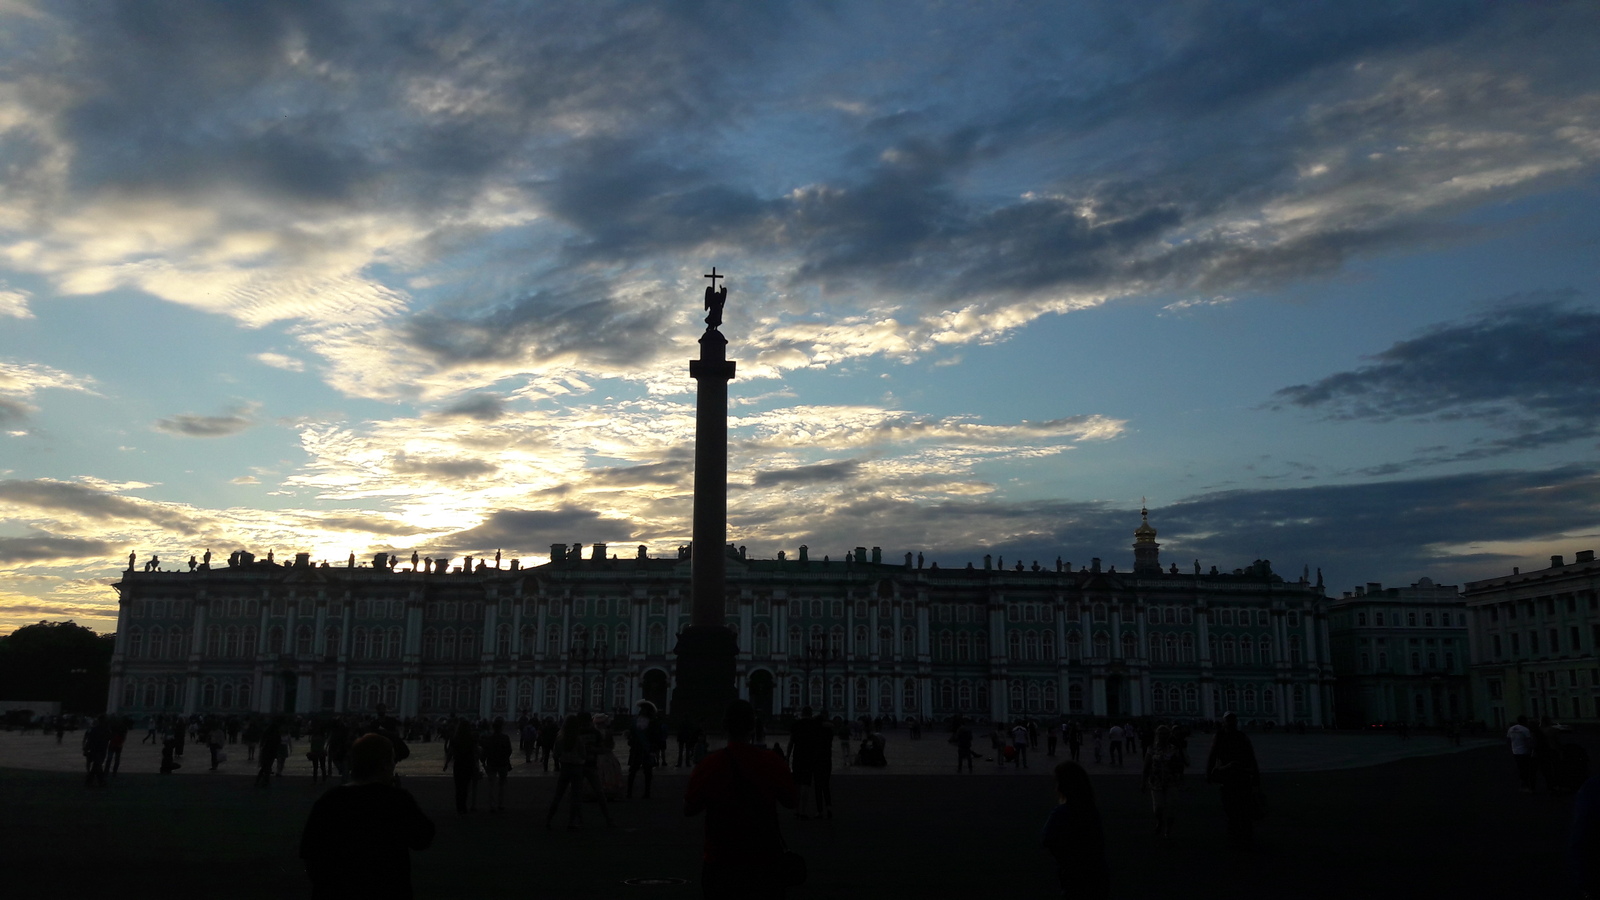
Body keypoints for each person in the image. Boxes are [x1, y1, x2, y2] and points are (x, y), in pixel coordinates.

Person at [299, 733, 435, 900]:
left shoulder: (329, 800)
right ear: (384, 765)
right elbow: (423, 838)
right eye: (392, 760)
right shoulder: (396, 800)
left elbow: (310, 853)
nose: (394, 765)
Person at [685, 699, 798, 899]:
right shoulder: (771, 761)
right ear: (753, 727)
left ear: (724, 727)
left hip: (720, 859)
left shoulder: (709, 764)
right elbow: (791, 801)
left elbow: (690, 808)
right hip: (765, 858)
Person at [1041, 760, 1109, 900]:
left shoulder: (1062, 812)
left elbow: (1046, 838)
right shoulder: (1091, 810)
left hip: (1074, 876)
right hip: (1097, 874)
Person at [546, 713, 615, 830]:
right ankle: (606, 819)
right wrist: (594, 751)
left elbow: (556, 753)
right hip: (587, 766)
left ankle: (551, 819)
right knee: (596, 793)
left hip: (569, 767)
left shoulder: (569, 735)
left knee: (563, 794)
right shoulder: (593, 733)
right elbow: (600, 749)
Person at [1206, 712, 1261, 849]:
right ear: (1224, 722)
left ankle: (1243, 835)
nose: (1231, 723)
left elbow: (1251, 756)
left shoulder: (1240, 737)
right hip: (1229, 775)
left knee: (1241, 806)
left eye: (1232, 721)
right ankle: (1238, 834)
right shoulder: (1221, 737)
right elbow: (1212, 755)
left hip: (1240, 776)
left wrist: (1255, 775)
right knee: (1232, 807)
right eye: (1228, 721)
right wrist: (1209, 772)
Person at [1142, 725, 1185, 838]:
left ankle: (1168, 829)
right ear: (1157, 735)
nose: (1163, 736)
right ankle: (1160, 821)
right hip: (1156, 782)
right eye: (1160, 734)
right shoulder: (1151, 748)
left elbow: (1180, 765)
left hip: (1172, 781)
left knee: (1171, 807)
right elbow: (1146, 766)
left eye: (1165, 734)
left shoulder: (1173, 749)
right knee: (1158, 807)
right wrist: (1143, 782)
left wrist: (1180, 776)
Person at [628, 700, 661, 800]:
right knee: (636, 770)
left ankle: (642, 792)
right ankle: (636, 792)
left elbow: (655, 736)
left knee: (643, 771)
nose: (642, 711)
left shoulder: (649, 722)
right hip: (640, 749)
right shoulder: (651, 722)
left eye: (644, 709)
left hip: (643, 749)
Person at [447, 720, 480, 814]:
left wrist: (446, 764)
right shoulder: (471, 739)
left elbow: (450, 752)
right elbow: (474, 752)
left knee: (458, 787)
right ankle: (464, 807)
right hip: (468, 764)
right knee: (465, 787)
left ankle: (459, 807)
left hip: (458, 765)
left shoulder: (455, 739)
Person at [483, 718, 514, 813]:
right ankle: (501, 804)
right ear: (501, 728)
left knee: (491, 785)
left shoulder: (489, 738)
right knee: (502, 785)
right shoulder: (505, 738)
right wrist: (505, 758)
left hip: (491, 763)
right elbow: (509, 750)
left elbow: (485, 751)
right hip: (503, 763)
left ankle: (492, 805)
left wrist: (484, 762)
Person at [1508, 715, 1536, 793]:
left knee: (1521, 769)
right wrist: (1532, 749)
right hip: (1524, 752)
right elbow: (1529, 741)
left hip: (1515, 751)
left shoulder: (1511, 729)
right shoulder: (1525, 730)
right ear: (1524, 721)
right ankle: (1525, 786)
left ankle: (1522, 786)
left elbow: (1508, 739)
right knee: (1526, 769)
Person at [82, 717, 110, 788]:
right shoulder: (106, 730)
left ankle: (91, 780)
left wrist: (86, 748)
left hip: (95, 749)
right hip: (100, 750)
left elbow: (90, 740)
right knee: (97, 765)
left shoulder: (95, 730)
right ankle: (99, 781)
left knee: (97, 765)